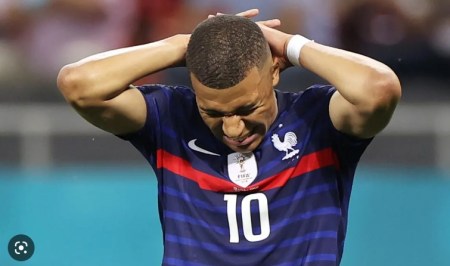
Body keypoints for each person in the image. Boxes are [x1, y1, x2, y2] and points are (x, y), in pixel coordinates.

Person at [57, 9, 401, 266]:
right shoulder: (171, 119)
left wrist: (289, 45)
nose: (234, 128)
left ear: (275, 72)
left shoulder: (317, 121)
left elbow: (378, 89)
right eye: (214, 113)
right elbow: (79, 84)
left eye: (247, 108)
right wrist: (189, 44)